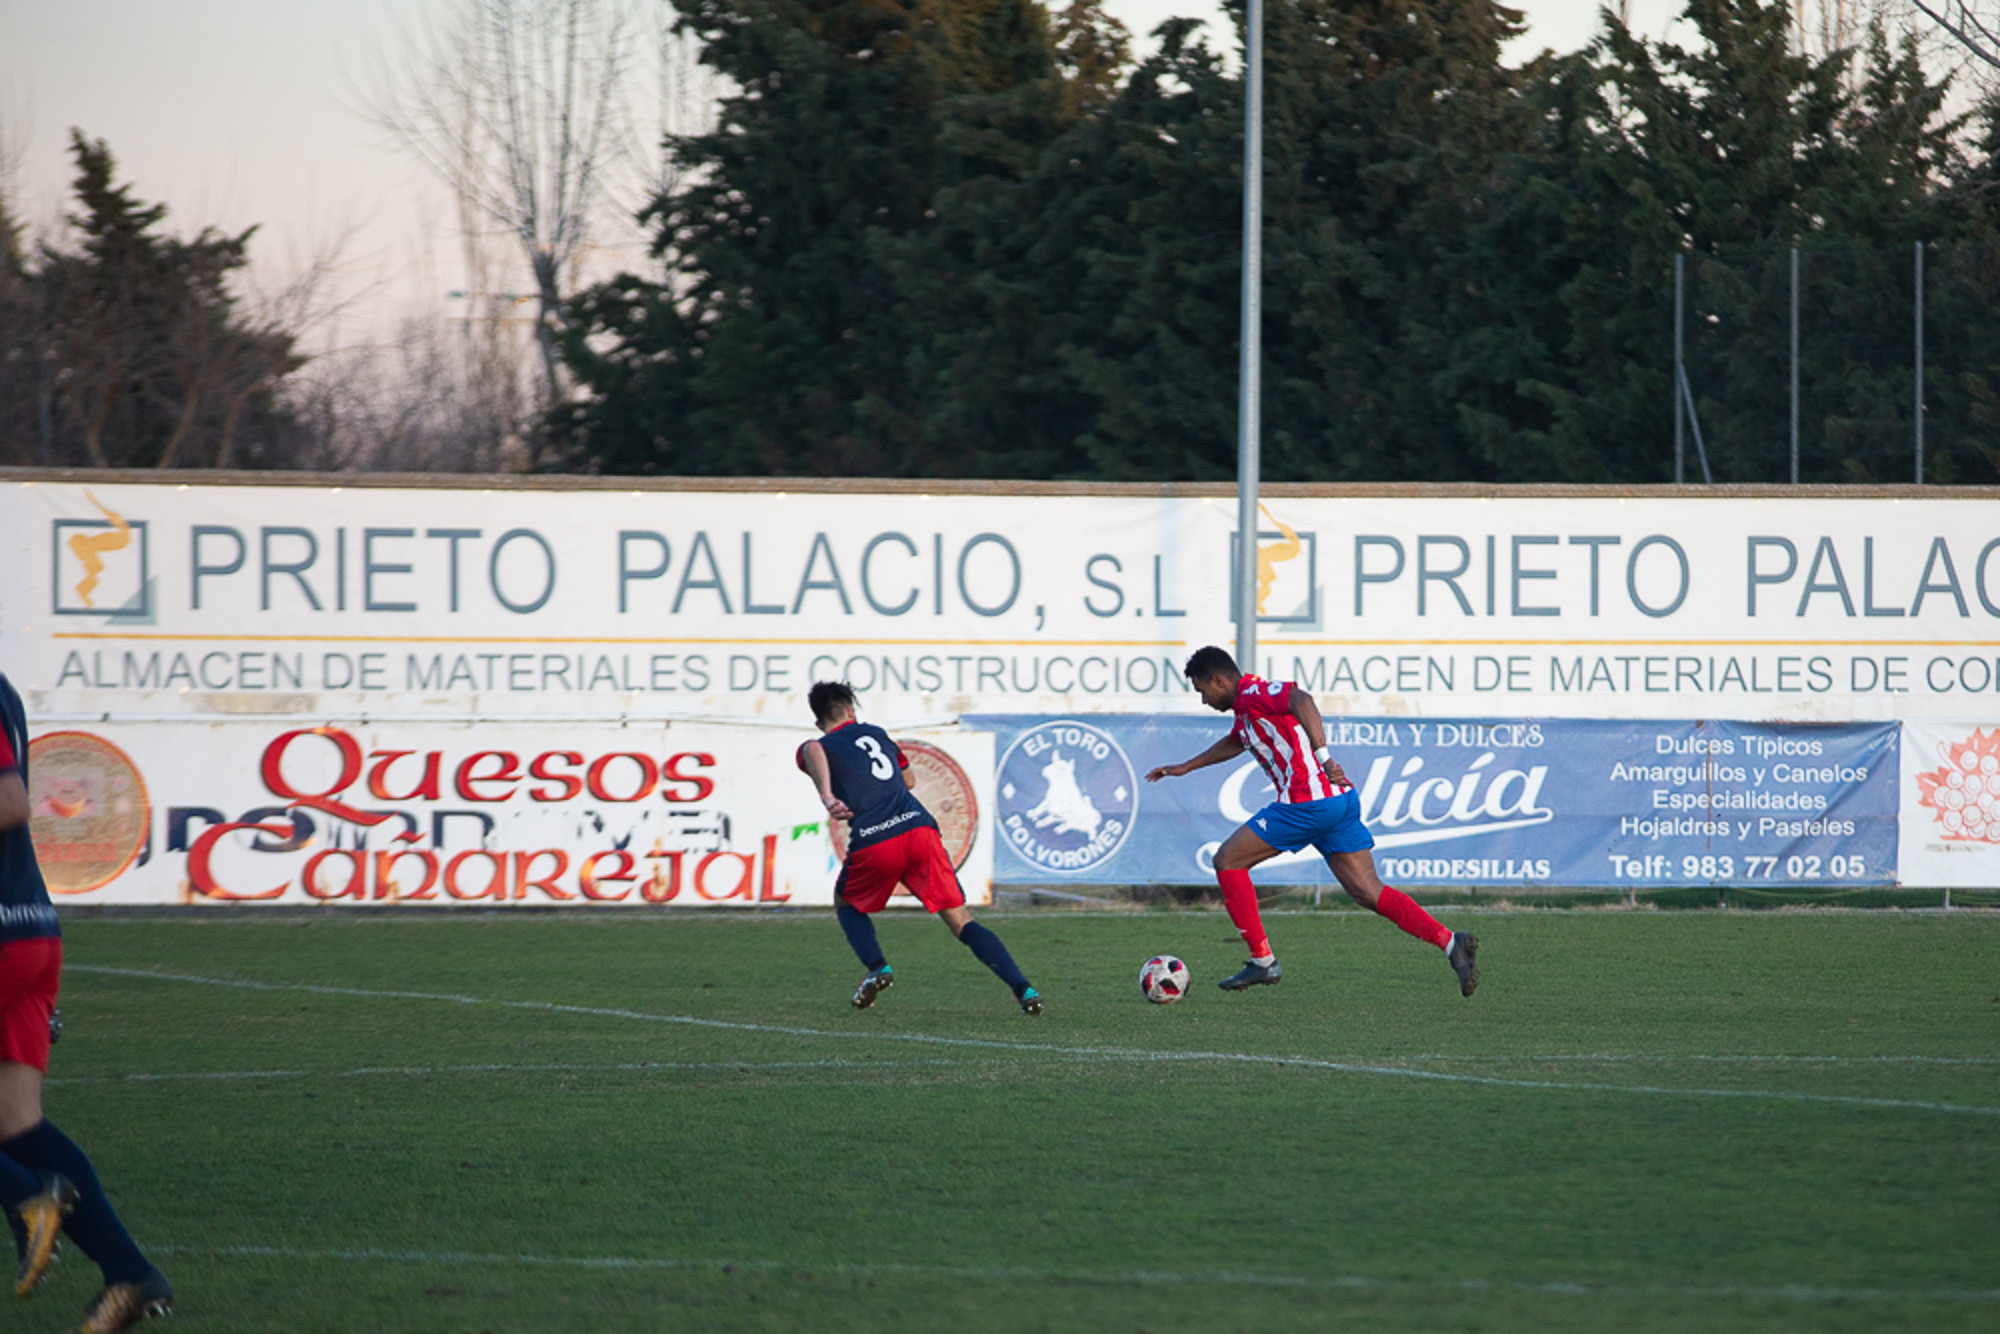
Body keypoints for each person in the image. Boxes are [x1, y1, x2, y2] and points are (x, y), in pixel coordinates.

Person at [1145, 647, 1480, 996]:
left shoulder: (1252, 692)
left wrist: (1324, 756)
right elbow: (1237, 740)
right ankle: (1449, 942)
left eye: (1203, 691)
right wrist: (1185, 767)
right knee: (1368, 891)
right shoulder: (1245, 712)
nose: (1204, 700)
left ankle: (1262, 961)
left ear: (1218, 679)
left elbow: (1300, 699)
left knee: (1227, 860)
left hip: (1308, 802)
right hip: (1339, 801)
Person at [0, 672, 172, 1330]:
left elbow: (12, 799)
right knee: (17, 1122)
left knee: (17, 1143)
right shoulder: (6, 687)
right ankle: (129, 1273)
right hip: (29, 928)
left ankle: (24, 1199)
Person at [797, 681, 1042, 1015]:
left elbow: (812, 748)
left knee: (846, 902)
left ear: (818, 720)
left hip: (876, 837)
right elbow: (909, 781)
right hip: (919, 829)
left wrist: (827, 795)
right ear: (851, 710)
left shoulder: (820, 744)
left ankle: (877, 967)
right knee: (961, 920)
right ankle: (1023, 988)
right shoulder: (876, 734)